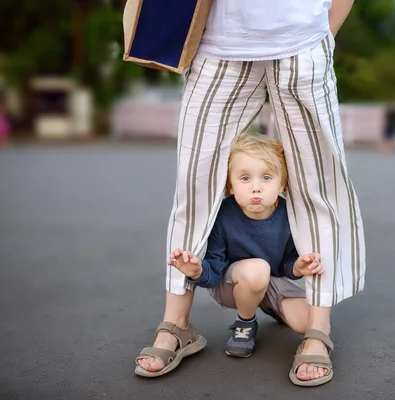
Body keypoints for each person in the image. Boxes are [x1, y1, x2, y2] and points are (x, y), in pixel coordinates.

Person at [134, 0, 366, 387]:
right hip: (219, 43)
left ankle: (317, 330)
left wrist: (325, 29)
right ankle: (176, 325)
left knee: (317, 188)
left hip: (302, 38)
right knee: (195, 185)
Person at [161, 132, 323, 358]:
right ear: (230, 185)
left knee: (307, 324)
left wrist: (296, 268)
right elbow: (214, 273)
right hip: (231, 284)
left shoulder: (289, 214)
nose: (256, 187)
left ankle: (266, 302)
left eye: (266, 177)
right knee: (257, 270)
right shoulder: (223, 215)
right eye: (245, 178)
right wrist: (197, 271)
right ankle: (245, 322)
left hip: (271, 282)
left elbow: (287, 263)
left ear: (282, 184)